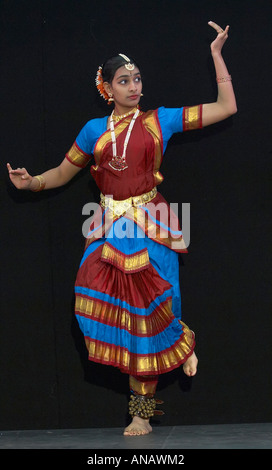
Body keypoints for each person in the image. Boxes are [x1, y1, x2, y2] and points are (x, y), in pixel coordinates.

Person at [7, 21, 237, 436]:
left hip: (153, 224)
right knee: (113, 309)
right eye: (124, 81)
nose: (134, 87)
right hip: (110, 226)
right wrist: (32, 182)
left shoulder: (159, 121)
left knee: (154, 310)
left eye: (137, 79)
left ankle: (143, 411)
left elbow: (226, 109)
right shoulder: (93, 131)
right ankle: (174, 348)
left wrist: (217, 57)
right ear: (107, 89)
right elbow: (62, 173)